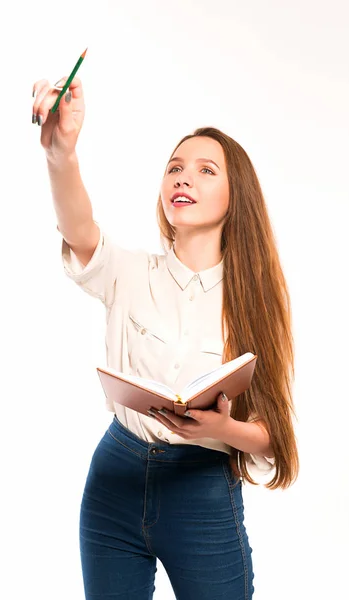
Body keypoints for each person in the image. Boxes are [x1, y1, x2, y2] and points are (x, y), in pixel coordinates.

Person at [32, 75, 299, 600]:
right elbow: (79, 228)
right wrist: (60, 154)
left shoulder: (254, 302)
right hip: (115, 477)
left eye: (205, 170)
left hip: (201, 491)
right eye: (175, 167)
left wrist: (221, 428)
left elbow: (273, 434)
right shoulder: (129, 272)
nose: (183, 177)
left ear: (234, 193)